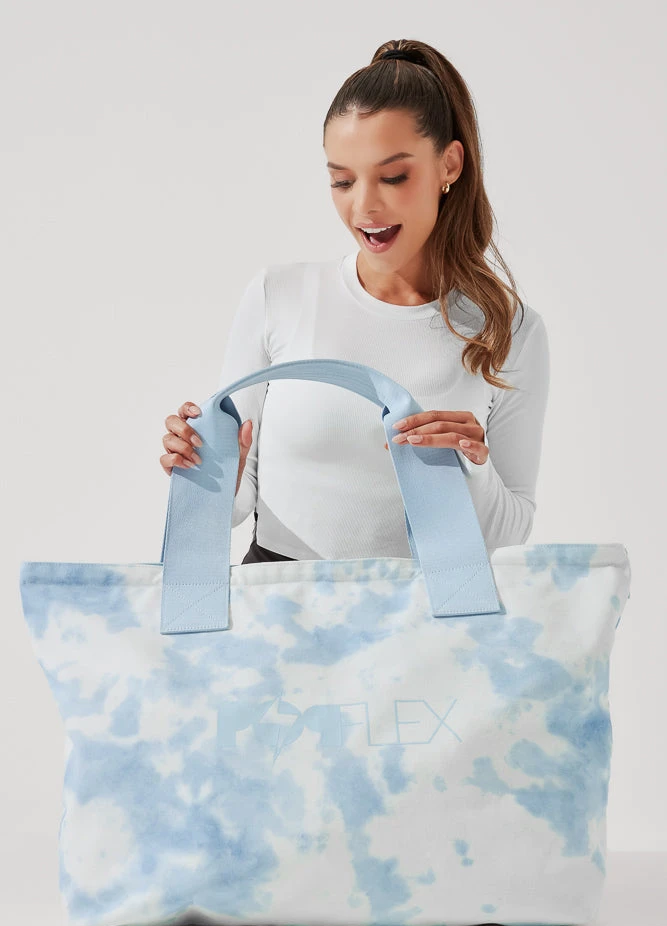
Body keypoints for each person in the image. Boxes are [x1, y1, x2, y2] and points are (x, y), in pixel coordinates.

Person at [159, 38, 550, 565]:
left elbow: (512, 529)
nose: (364, 206)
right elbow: (235, 501)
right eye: (342, 181)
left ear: (450, 164)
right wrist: (208, 471)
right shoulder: (280, 296)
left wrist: (472, 467)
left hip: (427, 605)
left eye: (393, 176)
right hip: (279, 599)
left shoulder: (510, 330)